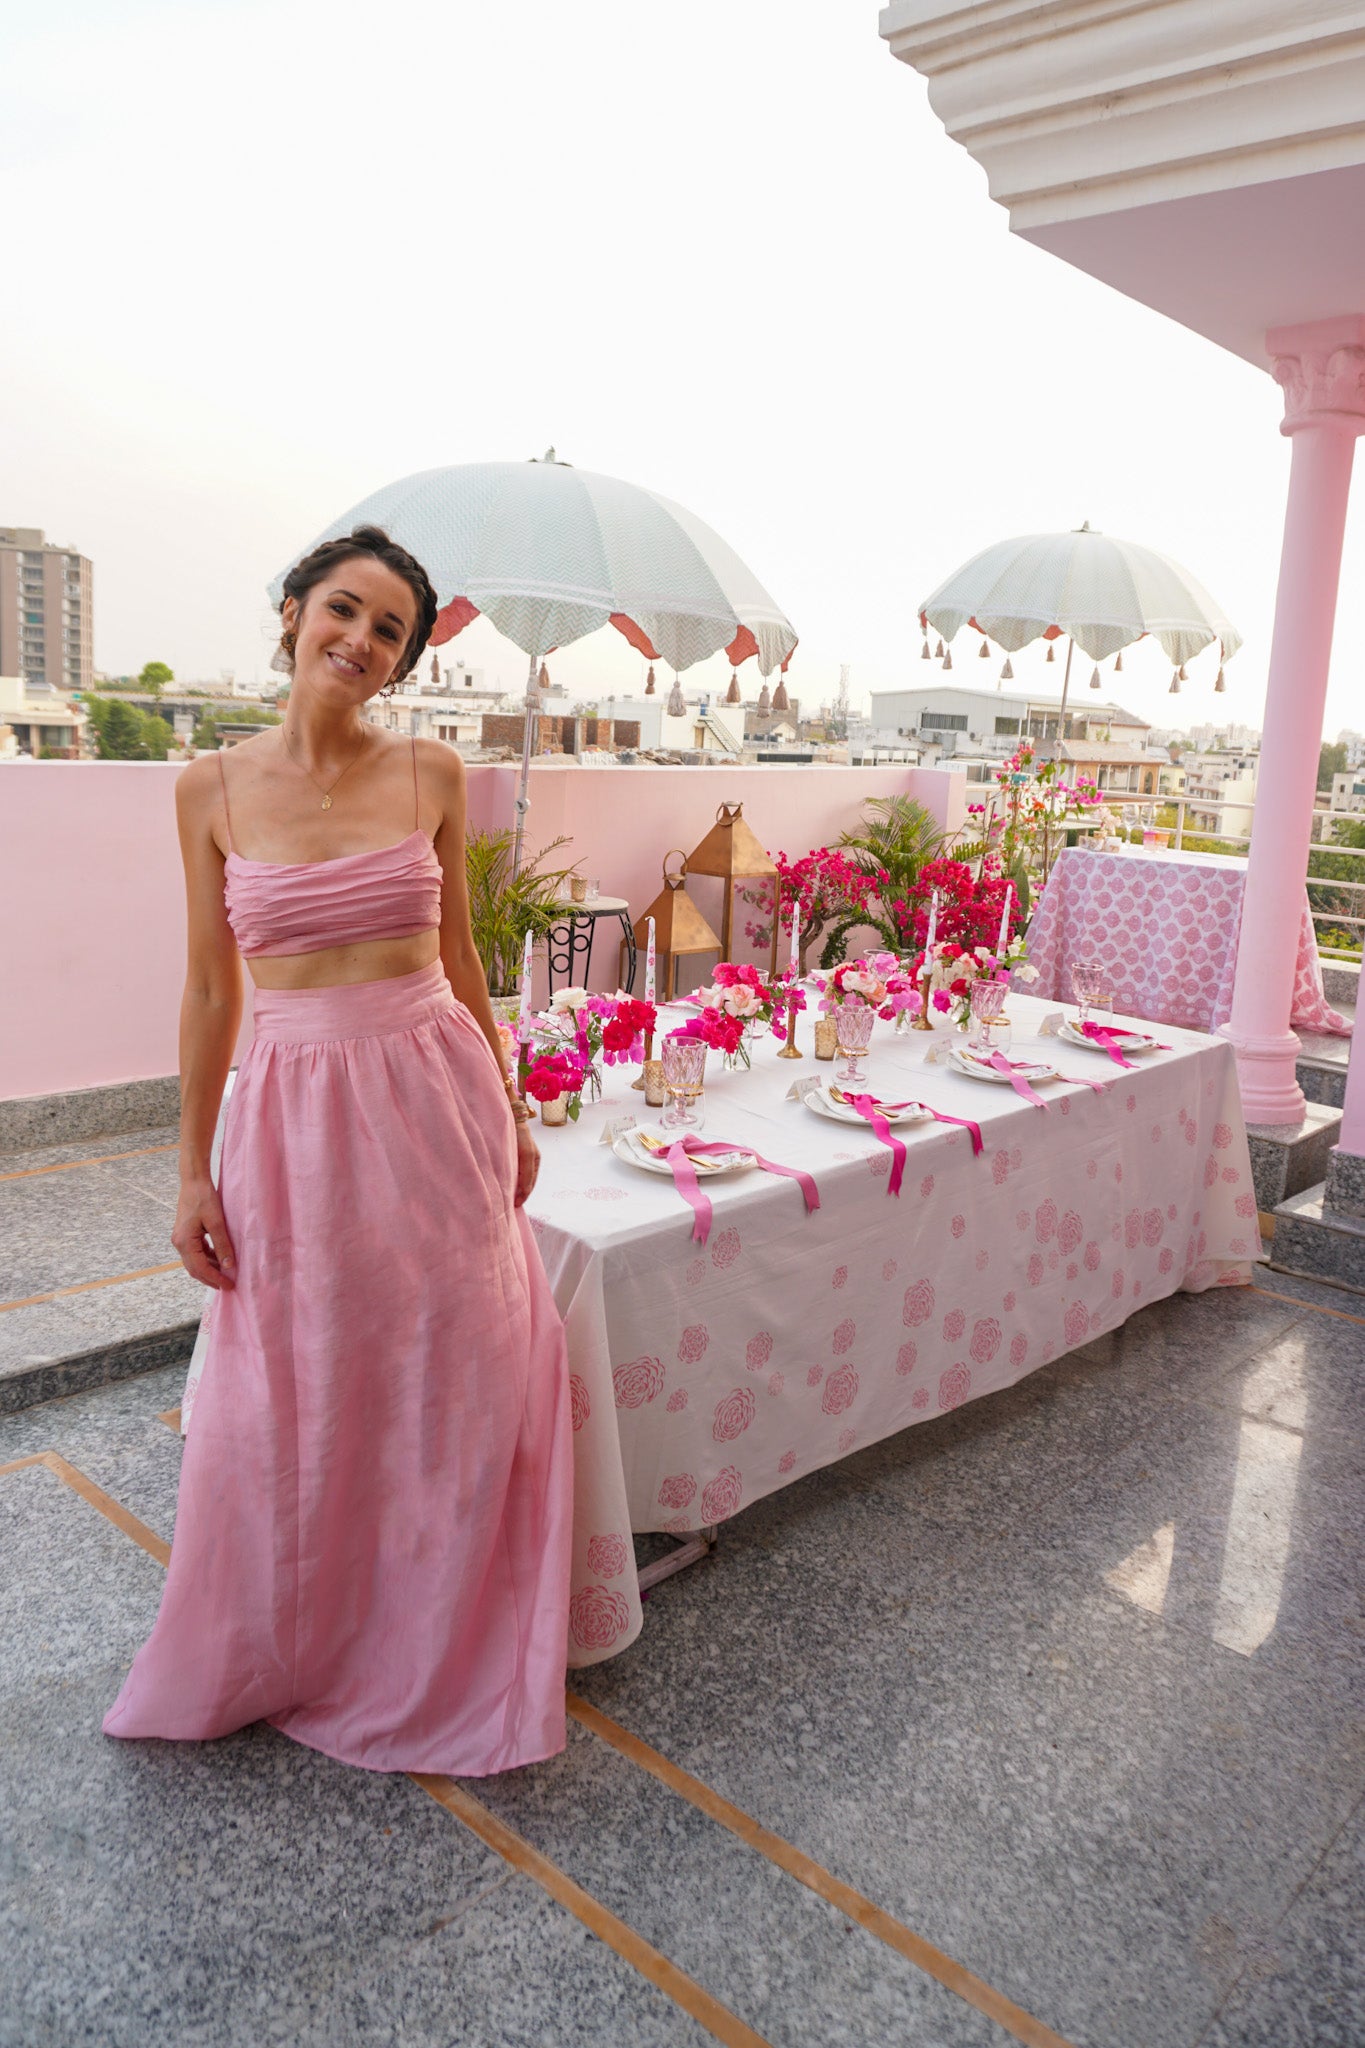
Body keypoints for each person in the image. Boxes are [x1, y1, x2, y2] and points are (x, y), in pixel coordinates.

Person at [104, 525, 574, 1776]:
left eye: (390, 632)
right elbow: (213, 995)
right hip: (294, 1114)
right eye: (345, 611)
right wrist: (191, 1170)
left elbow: (465, 959)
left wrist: (512, 1105)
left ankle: (434, 1632)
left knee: (453, 1363)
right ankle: (305, 1632)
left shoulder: (429, 771)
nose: (361, 642)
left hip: (435, 1091)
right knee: (297, 1382)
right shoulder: (206, 788)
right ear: (295, 610)